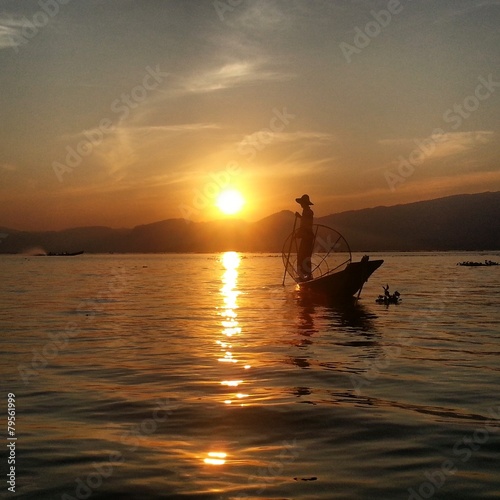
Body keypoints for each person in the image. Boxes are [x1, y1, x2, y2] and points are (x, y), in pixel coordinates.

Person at [295, 194, 314, 281]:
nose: (301, 204)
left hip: (307, 237)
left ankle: (306, 276)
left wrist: (298, 234)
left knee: (304, 256)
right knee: (304, 256)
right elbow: (304, 221)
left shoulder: (308, 212)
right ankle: (306, 276)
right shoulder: (306, 212)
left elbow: (305, 225)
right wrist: (300, 217)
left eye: (302, 203)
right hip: (307, 236)